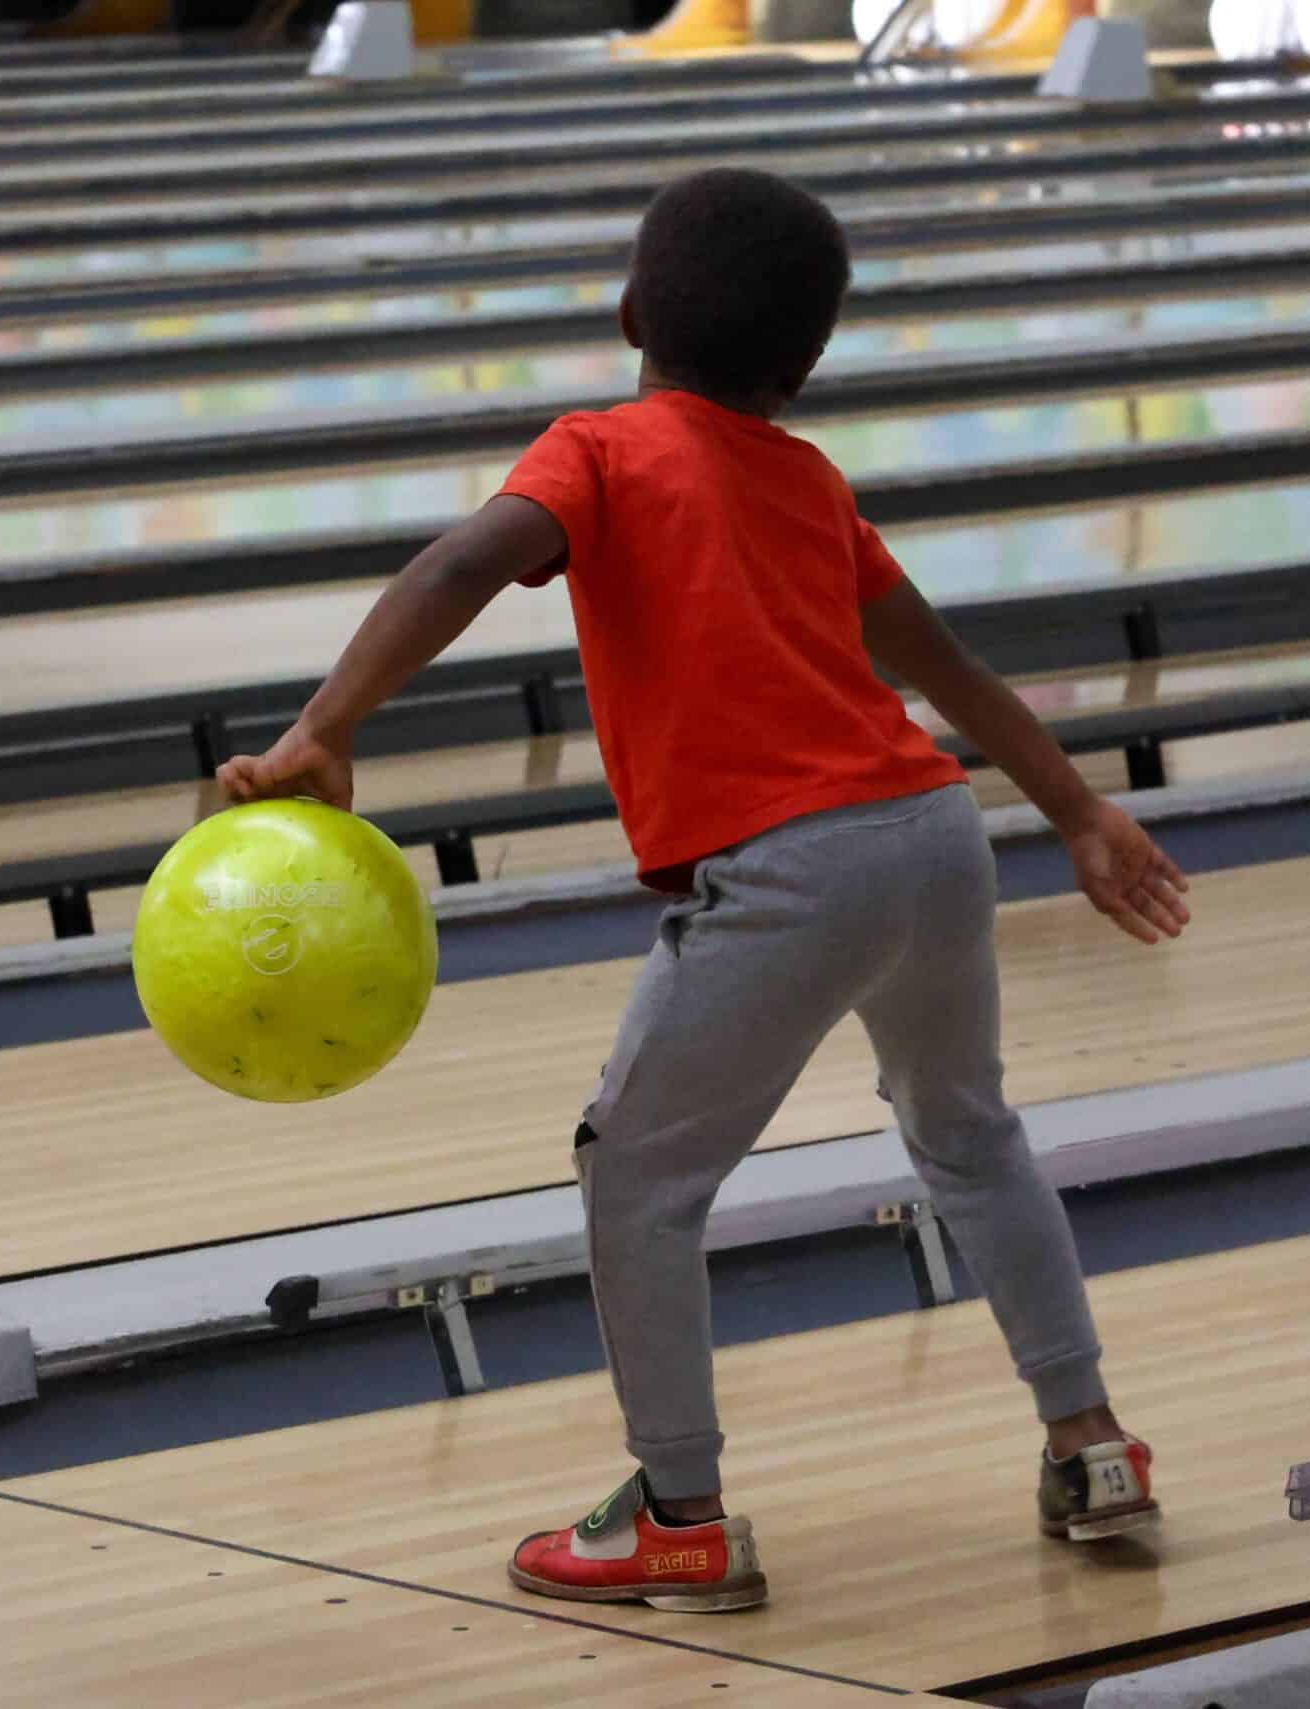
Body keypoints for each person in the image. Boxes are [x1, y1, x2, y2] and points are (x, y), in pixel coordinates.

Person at [217, 166, 1191, 1614]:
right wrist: (1079, 809)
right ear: (801, 369)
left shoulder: (600, 451)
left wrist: (324, 727)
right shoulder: (810, 480)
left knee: (637, 1173)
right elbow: (944, 667)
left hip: (792, 865)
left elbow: (462, 563)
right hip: (934, 833)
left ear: (631, 312)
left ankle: (679, 1518)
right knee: (971, 1134)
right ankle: (1092, 1445)